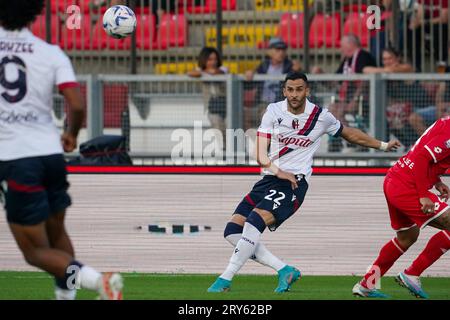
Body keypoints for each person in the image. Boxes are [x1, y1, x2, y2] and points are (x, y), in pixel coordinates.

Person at [207, 72, 400, 293]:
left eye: (299, 89)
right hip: (270, 178)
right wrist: (278, 171)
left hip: (294, 184)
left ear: (307, 91)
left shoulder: (320, 116)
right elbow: (259, 154)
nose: (294, 94)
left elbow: (350, 134)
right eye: (290, 89)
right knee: (232, 231)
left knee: (254, 221)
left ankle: (225, 279)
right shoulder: (273, 111)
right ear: (284, 91)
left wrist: (383, 146)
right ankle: (284, 269)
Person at [0, 0, 123, 300]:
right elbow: (77, 104)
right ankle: (65, 298)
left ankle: (100, 282)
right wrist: (70, 135)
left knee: (33, 251)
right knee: (57, 236)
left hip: (15, 159)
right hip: (50, 155)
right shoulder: (50, 52)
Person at [353, 116, 450, 299]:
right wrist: (422, 194)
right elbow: (422, 157)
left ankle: (367, 284)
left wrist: (436, 182)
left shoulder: (445, 122)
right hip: (408, 186)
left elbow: (424, 154)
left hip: (395, 179)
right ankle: (412, 273)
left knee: (406, 237)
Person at [327, 34, 377, 152]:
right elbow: (337, 80)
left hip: (365, 99)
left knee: (337, 110)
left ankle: (357, 140)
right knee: (331, 110)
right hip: (349, 99)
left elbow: (366, 80)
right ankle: (343, 140)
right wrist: (321, 74)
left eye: (342, 46)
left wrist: (355, 99)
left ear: (351, 45)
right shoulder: (347, 60)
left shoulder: (363, 56)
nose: (340, 49)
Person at [243, 37, 302, 130]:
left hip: (281, 104)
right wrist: (249, 76)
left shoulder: (290, 66)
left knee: (268, 115)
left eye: (283, 49)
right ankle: (249, 143)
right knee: (244, 114)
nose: (281, 52)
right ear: (269, 51)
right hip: (262, 103)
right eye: (277, 49)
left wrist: (297, 72)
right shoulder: (264, 65)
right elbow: (249, 87)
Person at [187, 47, 228, 147]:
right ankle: (224, 154)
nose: (213, 62)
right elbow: (190, 73)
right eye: (210, 59)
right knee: (218, 130)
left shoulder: (223, 69)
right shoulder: (200, 71)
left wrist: (204, 73)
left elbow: (216, 72)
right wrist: (204, 72)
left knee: (231, 132)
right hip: (212, 107)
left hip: (227, 106)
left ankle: (233, 154)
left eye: (215, 59)